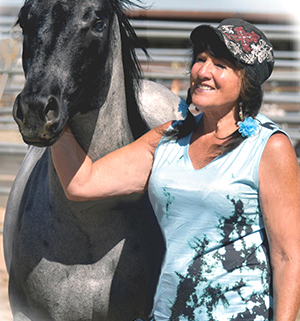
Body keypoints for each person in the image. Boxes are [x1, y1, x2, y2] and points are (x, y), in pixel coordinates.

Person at [51, 19, 300, 321]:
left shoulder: (268, 147)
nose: (203, 71)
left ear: (246, 82)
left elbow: (289, 257)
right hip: (168, 313)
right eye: (200, 59)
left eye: (220, 64)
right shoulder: (168, 138)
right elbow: (83, 183)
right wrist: (53, 123)